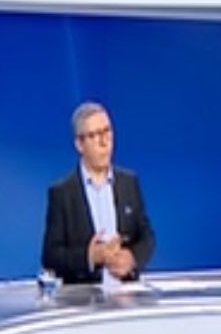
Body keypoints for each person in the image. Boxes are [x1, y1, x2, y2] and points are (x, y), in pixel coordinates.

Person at [42, 103, 156, 286]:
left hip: (126, 296)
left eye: (107, 132)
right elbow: (51, 257)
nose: (104, 142)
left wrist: (132, 259)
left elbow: (146, 237)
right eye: (95, 135)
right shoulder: (62, 193)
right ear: (79, 144)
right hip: (84, 300)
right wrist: (89, 257)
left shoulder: (129, 183)